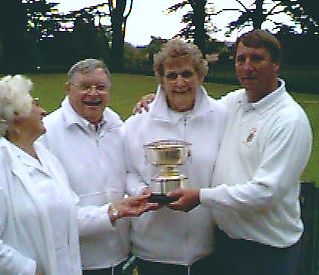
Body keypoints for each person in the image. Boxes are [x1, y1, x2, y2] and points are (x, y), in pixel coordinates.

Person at [136, 30, 313, 275]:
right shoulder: (235, 103)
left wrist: (200, 197)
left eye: (257, 59)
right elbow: (193, 104)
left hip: (267, 252)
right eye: (241, 59)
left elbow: (266, 192)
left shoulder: (289, 120)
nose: (247, 67)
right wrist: (156, 99)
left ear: (276, 65)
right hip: (226, 246)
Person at [0, 75, 154, 275]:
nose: (43, 110)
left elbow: (69, 217)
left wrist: (116, 210)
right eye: (35, 104)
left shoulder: (46, 158)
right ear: (15, 114)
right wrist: (32, 271)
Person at [123, 39, 227, 275]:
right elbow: (127, 172)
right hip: (153, 251)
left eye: (187, 74)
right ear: (161, 78)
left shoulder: (222, 116)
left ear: (200, 75)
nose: (180, 82)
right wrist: (143, 193)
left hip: (209, 250)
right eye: (171, 76)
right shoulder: (138, 123)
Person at [38, 59, 151, 275]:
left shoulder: (116, 124)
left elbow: (128, 172)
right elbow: (52, 211)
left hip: (121, 258)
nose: (93, 94)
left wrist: (141, 192)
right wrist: (111, 212)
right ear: (68, 88)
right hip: (76, 264)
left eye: (100, 87)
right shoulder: (47, 134)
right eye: (85, 87)